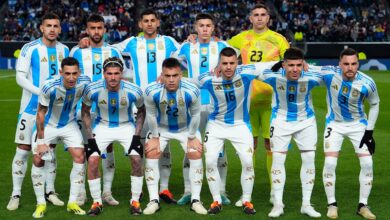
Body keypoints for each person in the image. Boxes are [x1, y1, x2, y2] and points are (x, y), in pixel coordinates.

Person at [191, 47, 275, 215]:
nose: (228, 67)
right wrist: (164, 79)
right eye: (224, 64)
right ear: (219, 64)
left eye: (232, 63)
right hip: (216, 125)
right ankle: (217, 200)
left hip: (240, 125)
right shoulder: (209, 78)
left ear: (237, 63)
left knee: (248, 163)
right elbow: (188, 81)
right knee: (210, 161)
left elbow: (271, 64)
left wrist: (298, 61)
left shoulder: (247, 72)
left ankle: (246, 200)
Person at [111, 9, 180, 203]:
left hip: (164, 102)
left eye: (152, 20)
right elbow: (110, 49)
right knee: (139, 147)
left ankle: (164, 189)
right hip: (141, 104)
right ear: (140, 24)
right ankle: (139, 188)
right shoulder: (132, 42)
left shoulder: (168, 42)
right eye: (145, 21)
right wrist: (86, 42)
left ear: (158, 22)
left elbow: (185, 53)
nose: (149, 24)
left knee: (164, 147)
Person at [227, 3, 290, 207]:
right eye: (256, 15)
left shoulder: (278, 39)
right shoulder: (240, 38)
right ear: (251, 18)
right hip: (247, 103)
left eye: (263, 14)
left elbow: (291, 62)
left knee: (271, 146)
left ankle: (275, 192)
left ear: (268, 19)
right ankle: (247, 194)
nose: (260, 18)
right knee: (249, 147)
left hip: (272, 103)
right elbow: (220, 50)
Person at [7, 12, 69, 211]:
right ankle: (15, 193)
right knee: (23, 150)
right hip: (30, 108)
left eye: (55, 26)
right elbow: (20, 78)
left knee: (49, 150)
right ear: (41, 28)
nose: (52, 29)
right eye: (48, 25)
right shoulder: (30, 48)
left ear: (60, 29)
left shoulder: (64, 49)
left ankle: (50, 191)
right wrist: (41, 92)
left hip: (53, 111)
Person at [173, 13, 231, 205]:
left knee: (220, 150)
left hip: (217, 106)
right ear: (195, 28)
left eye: (208, 26)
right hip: (193, 106)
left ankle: (221, 190)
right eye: (201, 26)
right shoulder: (187, 47)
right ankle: (188, 190)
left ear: (213, 28)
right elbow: (171, 62)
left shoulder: (222, 47)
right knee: (191, 149)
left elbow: (237, 63)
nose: (205, 29)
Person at [70, 13, 127, 206]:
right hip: (82, 108)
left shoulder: (113, 52)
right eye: (92, 28)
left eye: (99, 28)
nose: (96, 32)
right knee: (85, 150)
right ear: (87, 30)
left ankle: (107, 192)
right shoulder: (77, 52)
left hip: (107, 108)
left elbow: (122, 78)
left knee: (107, 148)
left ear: (104, 29)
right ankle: (81, 193)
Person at [260, 47, 321, 218]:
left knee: (309, 159)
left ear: (303, 65)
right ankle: (278, 204)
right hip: (280, 121)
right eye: (291, 65)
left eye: (299, 65)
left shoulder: (312, 77)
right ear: (284, 65)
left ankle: (306, 204)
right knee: (278, 160)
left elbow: (334, 72)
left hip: (306, 122)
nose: (295, 69)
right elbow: (256, 69)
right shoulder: (272, 76)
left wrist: (312, 67)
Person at [318, 48, 379, 219]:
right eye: (346, 64)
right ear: (340, 64)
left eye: (353, 64)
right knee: (330, 163)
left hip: (358, 125)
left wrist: (369, 132)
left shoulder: (367, 82)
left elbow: (374, 104)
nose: (350, 67)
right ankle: (332, 205)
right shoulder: (330, 73)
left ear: (358, 64)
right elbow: (306, 67)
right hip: (334, 125)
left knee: (367, 164)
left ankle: (363, 205)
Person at [81, 57, 146, 216]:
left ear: (121, 74)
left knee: (137, 158)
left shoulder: (134, 90)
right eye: (109, 73)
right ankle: (97, 202)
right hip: (102, 126)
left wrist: (137, 137)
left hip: (126, 126)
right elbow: (85, 112)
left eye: (116, 73)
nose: (113, 77)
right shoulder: (92, 89)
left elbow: (142, 112)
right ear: (103, 74)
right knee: (93, 159)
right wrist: (90, 138)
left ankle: (135, 200)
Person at [142, 57, 207, 215]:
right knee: (151, 152)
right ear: (162, 76)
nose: (171, 80)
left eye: (175, 75)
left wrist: (192, 137)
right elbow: (150, 116)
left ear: (181, 75)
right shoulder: (151, 91)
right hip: (161, 128)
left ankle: (195, 200)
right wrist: (155, 137)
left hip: (186, 128)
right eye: (167, 76)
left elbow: (196, 114)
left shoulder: (192, 90)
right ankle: (153, 200)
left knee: (195, 152)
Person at [31, 57, 90, 218]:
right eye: (67, 74)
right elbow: (40, 113)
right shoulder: (49, 86)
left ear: (79, 72)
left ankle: (72, 202)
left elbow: (86, 109)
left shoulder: (85, 83)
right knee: (38, 159)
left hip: (69, 124)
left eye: (75, 73)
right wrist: (41, 141)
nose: (71, 78)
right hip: (49, 125)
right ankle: (40, 204)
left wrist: (90, 135)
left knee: (80, 156)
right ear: (60, 73)